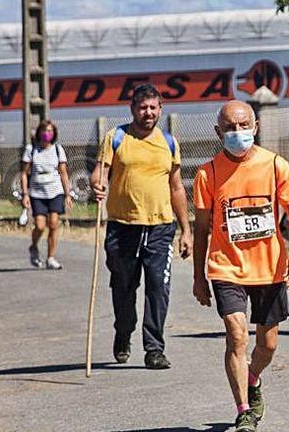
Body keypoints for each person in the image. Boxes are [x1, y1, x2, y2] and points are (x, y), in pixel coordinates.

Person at [192, 100, 289, 432]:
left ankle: (253, 376)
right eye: (229, 127)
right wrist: (199, 277)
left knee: (267, 345)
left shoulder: (274, 166)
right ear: (218, 132)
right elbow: (201, 230)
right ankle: (244, 410)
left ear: (255, 126)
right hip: (226, 267)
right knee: (236, 335)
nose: (237, 133)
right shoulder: (207, 173)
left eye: (243, 126)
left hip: (270, 268)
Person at [90, 83, 191, 370]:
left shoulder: (169, 142)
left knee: (158, 287)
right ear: (132, 108)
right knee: (124, 287)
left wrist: (186, 230)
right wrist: (98, 185)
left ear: (161, 109)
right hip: (123, 227)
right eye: (142, 107)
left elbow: (176, 187)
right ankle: (124, 332)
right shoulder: (116, 137)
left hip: (160, 227)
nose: (148, 113)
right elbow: (101, 172)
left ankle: (154, 349)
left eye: (153, 107)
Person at [20, 120, 72, 270]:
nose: (46, 134)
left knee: (54, 223)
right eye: (44, 131)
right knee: (40, 225)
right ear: (39, 133)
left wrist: (67, 194)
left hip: (55, 191)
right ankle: (34, 246)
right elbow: (23, 174)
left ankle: (51, 257)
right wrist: (25, 194)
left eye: (50, 131)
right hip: (37, 193)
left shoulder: (57, 149)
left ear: (54, 133)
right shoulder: (31, 150)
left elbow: (63, 173)